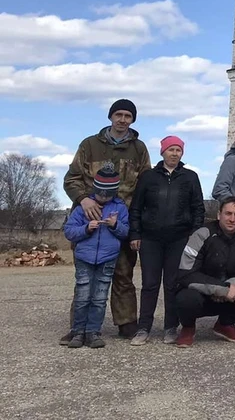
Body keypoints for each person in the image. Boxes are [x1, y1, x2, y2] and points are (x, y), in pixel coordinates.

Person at [62, 98, 151, 342]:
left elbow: (145, 186)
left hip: (121, 222)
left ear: (133, 120)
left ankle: (126, 322)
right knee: (86, 279)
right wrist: (83, 199)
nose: (122, 120)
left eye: (128, 116)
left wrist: (136, 224)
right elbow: (71, 179)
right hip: (89, 221)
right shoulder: (89, 145)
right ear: (111, 117)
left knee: (123, 274)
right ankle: (79, 327)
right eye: (118, 114)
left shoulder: (139, 149)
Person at [128, 136, 204, 346]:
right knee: (150, 285)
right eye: (170, 149)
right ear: (162, 152)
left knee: (172, 285)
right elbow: (136, 207)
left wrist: (194, 235)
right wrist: (135, 233)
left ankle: (171, 327)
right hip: (151, 238)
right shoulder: (148, 177)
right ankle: (143, 328)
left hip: (178, 239)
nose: (174, 154)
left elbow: (198, 208)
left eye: (178, 150)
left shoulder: (190, 177)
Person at [174, 196, 235, 348]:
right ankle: (188, 328)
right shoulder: (201, 234)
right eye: (228, 213)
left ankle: (225, 324)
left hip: (233, 294)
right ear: (219, 215)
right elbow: (186, 274)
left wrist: (233, 285)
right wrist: (221, 288)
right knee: (185, 298)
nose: (232, 219)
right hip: (203, 295)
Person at [62, 166, 130, 348]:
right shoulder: (81, 209)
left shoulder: (120, 208)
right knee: (83, 296)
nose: (104, 198)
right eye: (100, 193)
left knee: (99, 298)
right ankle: (78, 332)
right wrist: (86, 228)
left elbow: (125, 232)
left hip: (108, 259)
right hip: (85, 258)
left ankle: (93, 332)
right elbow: (69, 231)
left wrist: (115, 225)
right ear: (95, 189)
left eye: (108, 194)